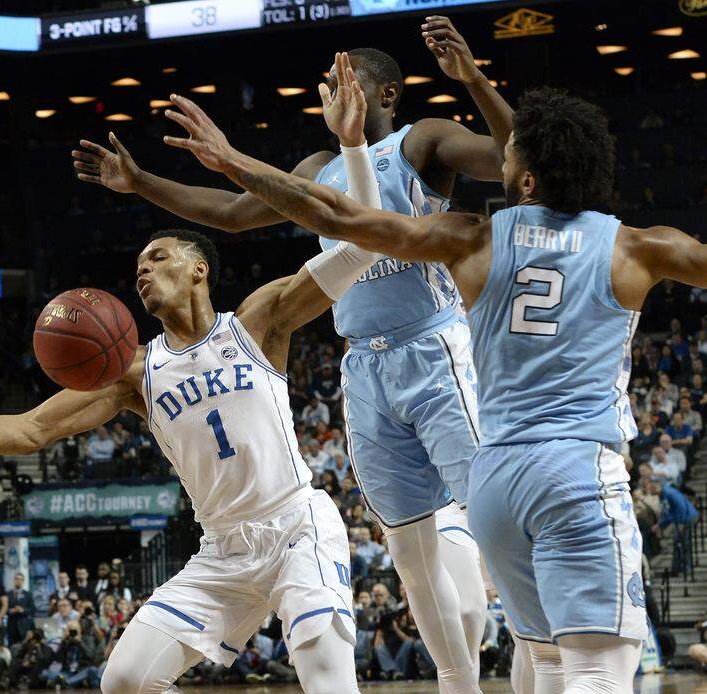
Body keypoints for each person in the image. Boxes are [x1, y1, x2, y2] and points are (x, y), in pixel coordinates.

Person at [166, 73, 707, 693]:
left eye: (509, 154)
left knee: (548, 660)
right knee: (600, 670)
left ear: (526, 179)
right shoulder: (641, 247)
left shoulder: (469, 238)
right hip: (576, 470)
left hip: (499, 478)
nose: (499, 155)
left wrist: (233, 160)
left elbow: (337, 213)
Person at [74, 31, 502, 690]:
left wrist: (473, 78)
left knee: (494, 517)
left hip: (435, 342)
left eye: (346, 80)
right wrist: (140, 184)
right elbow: (232, 212)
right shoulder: (313, 171)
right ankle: (458, 683)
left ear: (386, 92)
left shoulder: (423, 141)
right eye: (326, 85)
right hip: (363, 363)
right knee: (411, 558)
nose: (332, 94)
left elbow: (510, 157)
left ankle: (548, 649)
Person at [0, 224, 381, 691]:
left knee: (326, 674)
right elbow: (31, 429)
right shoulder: (135, 374)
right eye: (137, 266)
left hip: (295, 526)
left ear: (199, 269)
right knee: (125, 680)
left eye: (158, 258)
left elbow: (354, 252)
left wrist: (390, 192)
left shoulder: (256, 323)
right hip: (222, 551)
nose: (143, 271)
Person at [6, 572, 35, 644]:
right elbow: (4, 609)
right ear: (14, 580)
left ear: (23, 581)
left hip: (24, 626)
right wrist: (10, 611)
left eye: (21, 579)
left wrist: (23, 610)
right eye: (17, 579)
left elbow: (33, 609)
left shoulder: (28, 594)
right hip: (11, 626)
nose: (18, 581)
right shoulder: (8, 594)